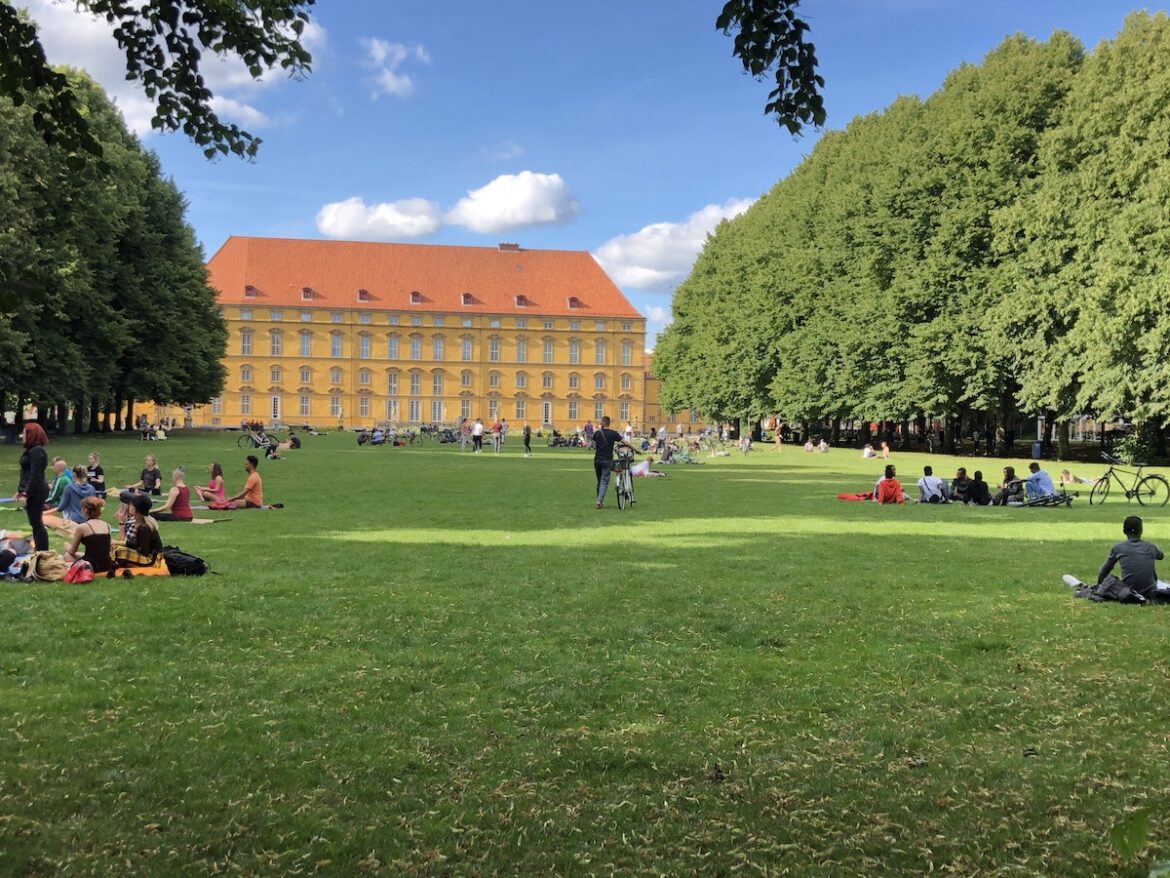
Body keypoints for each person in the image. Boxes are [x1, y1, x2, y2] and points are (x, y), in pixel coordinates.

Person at [1064, 516, 1170, 602]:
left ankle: (1088, 588)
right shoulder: (1150, 547)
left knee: (1113, 583)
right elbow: (1161, 556)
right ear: (1141, 531)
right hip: (1150, 591)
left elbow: (1105, 570)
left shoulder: (1118, 548)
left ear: (1124, 531)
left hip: (1128, 591)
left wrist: (1100, 585)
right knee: (1163, 584)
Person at [16, 423, 51, 551]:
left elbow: (35, 475)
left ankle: (42, 551)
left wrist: (26, 493)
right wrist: (20, 490)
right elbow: (26, 473)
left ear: (31, 435)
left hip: (37, 491)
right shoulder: (31, 450)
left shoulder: (37, 451)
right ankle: (40, 550)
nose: (22, 435)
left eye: (24, 433)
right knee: (35, 523)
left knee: (37, 523)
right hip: (32, 489)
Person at [62, 495, 113, 574]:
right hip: (106, 564)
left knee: (67, 556)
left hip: (91, 565)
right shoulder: (107, 525)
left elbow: (72, 551)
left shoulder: (83, 527)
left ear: (85, 510)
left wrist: (66, 546)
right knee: (75, 555)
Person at [113, 493, 163, 567]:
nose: (130, 507)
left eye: (131, 505)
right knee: (116, 547)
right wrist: (119, 543)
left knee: (120, 551)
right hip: (147, 555)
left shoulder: (144, 527)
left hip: (152, 560)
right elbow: (137, 543)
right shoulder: (140, 522)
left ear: (136, 509)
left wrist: (127, 550)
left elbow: (144, 551)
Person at [591, 416, 629, 509]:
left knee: (599, 481)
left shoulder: (597, 433)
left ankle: (599, 501)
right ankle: (599, 501)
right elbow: (624, 442)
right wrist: (633, 448)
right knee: (604, 480)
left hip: (597, 460)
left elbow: (594, 446)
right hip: (607, 460)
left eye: (601, 422)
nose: (600, 423)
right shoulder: (613, 433)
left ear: (603, 423)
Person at [43, 465, 96, 532]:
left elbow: (61, 507)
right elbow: (93, 507)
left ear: (74, 475)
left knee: (44, 518)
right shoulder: (91, 489)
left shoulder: (69, 488)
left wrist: (43, 513)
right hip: (87, 522)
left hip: (71, 522)